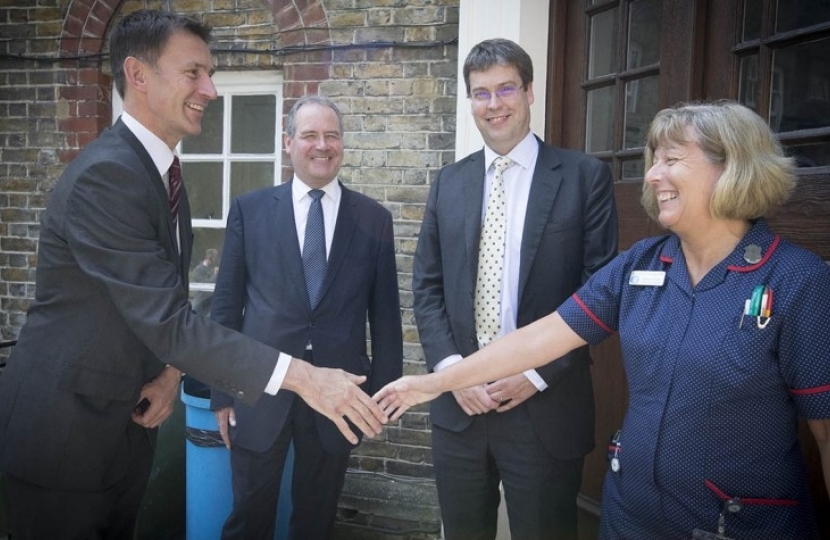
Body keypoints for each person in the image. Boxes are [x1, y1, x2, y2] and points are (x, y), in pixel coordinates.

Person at [0, 10, 388, 540]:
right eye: (194, 73)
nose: (211, 89)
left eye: (210, 74)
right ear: (138, 75)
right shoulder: (108, 175)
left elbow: (157, 307)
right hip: (65, 436)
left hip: (127, 423)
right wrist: (305, 377)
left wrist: (169, 375)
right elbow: (169, 318)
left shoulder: (162, 175)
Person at [377, 100, 830, 540]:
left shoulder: (796, 281)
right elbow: (544, 336)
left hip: (735, 524)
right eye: (654, 160)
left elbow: (825, 433)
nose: (652, 175)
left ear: (732, 167)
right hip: (630, 518)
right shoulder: (642, 265)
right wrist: (433, 383)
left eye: (672, 159)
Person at [411, 38, 618, 540]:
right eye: (481, 93)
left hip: (545, 408)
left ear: (529, 93)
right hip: (461, 406)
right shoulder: (448, 183)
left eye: (506, 88)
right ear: (470, 102)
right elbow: (427, 287)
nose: (494, 103)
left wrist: (536, 372)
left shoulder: (583, 177)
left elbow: (601, 289)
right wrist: (452, 371)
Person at [210, 94, 403, 540]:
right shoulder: (250, 210)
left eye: (332, 136)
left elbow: (386, 316)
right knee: (248, 517)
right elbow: (226, 306)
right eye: (310, 135)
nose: (322, 145)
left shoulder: (374, 219)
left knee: (317, 520)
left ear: (342, 144)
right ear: (288, 142)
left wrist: (381, 397)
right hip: (261, 386)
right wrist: (221, 394)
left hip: (340, 394)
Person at [191, 247, 218, 314]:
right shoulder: (199, 269)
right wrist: (216, 275)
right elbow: (205, 284)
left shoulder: (209, 269)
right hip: (200, 302)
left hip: (207, 301)